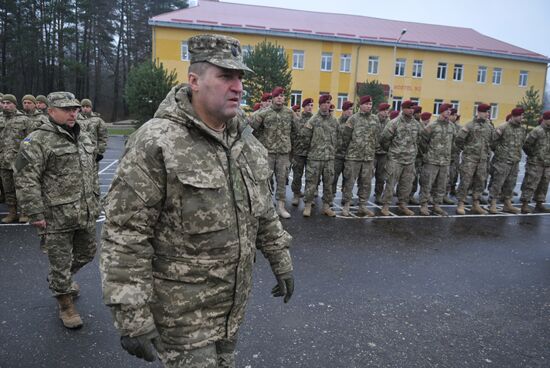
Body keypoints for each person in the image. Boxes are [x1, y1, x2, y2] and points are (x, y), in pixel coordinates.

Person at [99, 34, 294, 368]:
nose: (237, 87)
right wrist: (131, 315)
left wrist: (281, 258)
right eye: (225, 76)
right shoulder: (157, 141)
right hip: (182, 315)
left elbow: (261, 209)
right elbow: (125, 234)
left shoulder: (244, 140)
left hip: (232, 305)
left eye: (239, 78)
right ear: (194, 81)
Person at [14, 92, 99, 329]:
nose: (73, 112)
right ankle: (65, 304)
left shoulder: (84, 135)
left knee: (87, 253)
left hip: (85, 210)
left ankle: (59, 279)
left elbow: (90, 172)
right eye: (66, 109)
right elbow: (25, 178)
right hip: (56, 216)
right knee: (60, 261)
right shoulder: (36, 140)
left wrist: (96, 201)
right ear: (51, 111)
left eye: (74, 108)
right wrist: (35, 213)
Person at [250, 86, 295, 218]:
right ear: (273, 98)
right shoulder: (264, 113)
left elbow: (298, 131)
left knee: (282, 180)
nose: (280, 98)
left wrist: (293, 150)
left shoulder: (289, 113)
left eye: (282, 95)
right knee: (265, 180)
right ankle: (267, 206)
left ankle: (281, 207)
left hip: (283, 153)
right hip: (267, 153)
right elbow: (250, 130)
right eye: (277, 96)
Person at [379, 100, 423, 216]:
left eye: (413, 108)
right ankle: (386, 205)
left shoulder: (416, 124)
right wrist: (393, 150)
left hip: (409, 159)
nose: (411, 110)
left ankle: (402, 204)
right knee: (390, 183)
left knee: (406, 184)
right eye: (409, 108)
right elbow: (384, 139)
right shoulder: (394, 123)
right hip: (395, 159)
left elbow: (419, 139)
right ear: (403, 109)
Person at [340, 96, 378, 217]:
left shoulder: (375, 119)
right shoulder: (353, 119)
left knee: (366, 183)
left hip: (368, 157)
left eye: (370, 104)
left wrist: (371, 149)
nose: (368, 106)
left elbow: (377, 136)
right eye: (366, 104)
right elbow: (346, 137)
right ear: (360, 105)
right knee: (349, 182)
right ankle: (346, 205)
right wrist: (351, 150)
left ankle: (362, 206)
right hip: (353, 157)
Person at [301, 94, 338, 217]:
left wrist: (333, 151)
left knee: (329, 184)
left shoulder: (334, 121)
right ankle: (307, 206)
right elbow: (305, 138)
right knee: (311, 183)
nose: (327, 105)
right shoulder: (313, 120)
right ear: (320, 104)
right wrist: (311, 151)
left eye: (329, 103)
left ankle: (326, 207)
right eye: (325, 102)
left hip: (329, 158)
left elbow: (339, 138)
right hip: (315, 158)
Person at [454, 103, 494, 215]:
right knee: (466, 181)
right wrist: (467, 151)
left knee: (480, 181)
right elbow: (458, 140)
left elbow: (492, 141)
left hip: (483, 160)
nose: (487, 114)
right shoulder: (469, 125)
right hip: (470, 160)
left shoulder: (489, 126)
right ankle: (461, 203)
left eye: (488, 112)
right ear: (479, 112)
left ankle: (475, 204)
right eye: (485, 112)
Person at [0, 94, 33, 223]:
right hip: (3, 160)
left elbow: (30, 138)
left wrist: (25, 153)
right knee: (8, 188)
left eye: (8, 103)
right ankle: (12, 212)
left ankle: (24, 212)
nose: (5, 105)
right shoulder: (0, 119)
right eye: (4, 103)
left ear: (14, 104)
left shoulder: (24, 119)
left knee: (22, 187)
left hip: (19, 160)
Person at [487, 108, 526, 214]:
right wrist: (500, 153)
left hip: (515, 161)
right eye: (521, 115)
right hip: (502, 161)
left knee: (511, 184)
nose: (522, 118)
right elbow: (492, 142)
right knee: (497, 183)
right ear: (514, 116)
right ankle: (493, 203)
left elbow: (522, 143)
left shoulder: (521, 129)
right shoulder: (503, 127)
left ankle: (507, 204)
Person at [418, 104, 455, 216]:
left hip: (445, 161)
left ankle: (437, 205)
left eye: (450, 110)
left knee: (441, 185)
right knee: (427, 184)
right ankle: (424, 205)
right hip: (432, 160)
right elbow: (422, 141)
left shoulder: (451, 126)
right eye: (447, 110)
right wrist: (427, 154)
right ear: (441, 111)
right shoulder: (432, 126)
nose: (449, 112)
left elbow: (454, 141)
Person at [519, 111, 550, 213]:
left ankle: (539, 203)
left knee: (544, 184)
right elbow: (526, 145)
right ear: (546, 119)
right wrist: (533, 155)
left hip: (547, 163)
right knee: (530, 183)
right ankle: (525, 204)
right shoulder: (537, 131)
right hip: (535, 163)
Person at [78, 98, 108, 194]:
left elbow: (103, 136)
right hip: (79, 153)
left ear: (91, 107)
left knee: (93, 178)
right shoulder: (75, 119)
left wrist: (100, 151)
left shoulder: (97, 120)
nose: (85, 109)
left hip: (93, 154)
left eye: (87, 106)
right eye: (83, 106)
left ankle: (95, 197)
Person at [291, 97, 313, 206]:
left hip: (311, 153)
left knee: (311, 176)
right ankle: (296, 194)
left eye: (312, 105)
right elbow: (292, 134)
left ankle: (309, 197)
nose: (310, 107)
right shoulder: (297, 119)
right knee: (297, 175)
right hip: (299, 152)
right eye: (308, 105)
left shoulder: (314, 119)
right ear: (304, 107)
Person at [333, 100, 354, 202]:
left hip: (349, 156)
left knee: (348, 179)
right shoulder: (336, 122)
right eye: (349, 109)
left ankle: (345, 198)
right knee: (334, 178)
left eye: (352, 109)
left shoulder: (354, 123)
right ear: (344, 110)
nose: (351, 112)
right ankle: (330, 198)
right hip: (337, 156)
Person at [373, 102, 391, 204]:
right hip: (373, 153)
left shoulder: (389, 122)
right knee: (366, 176)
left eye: (387, 111)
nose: (386, 112)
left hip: (383, 153)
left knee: (381, 177)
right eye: (384, 110)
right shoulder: (373, 120)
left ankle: (378, 195)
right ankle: (362, 196)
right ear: (379, 111)